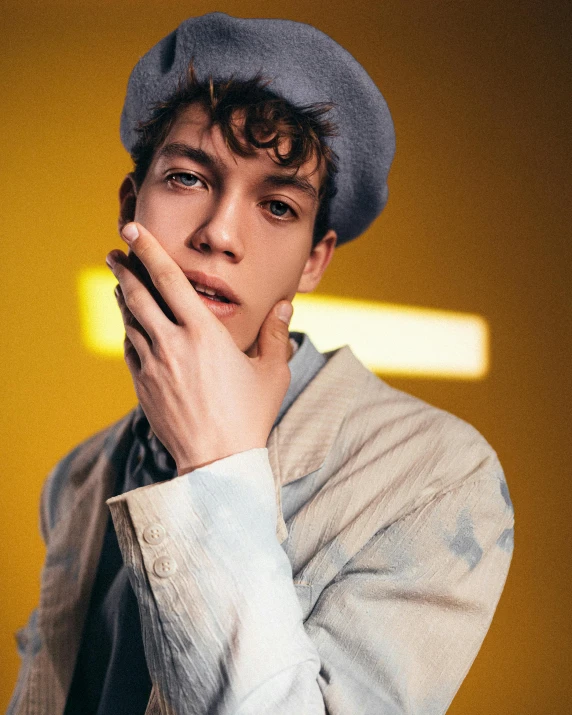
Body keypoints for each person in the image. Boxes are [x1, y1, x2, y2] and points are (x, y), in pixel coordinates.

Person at [8, 12, 515, 715]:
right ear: (132, 205)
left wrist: (216, 464)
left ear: (313, 259)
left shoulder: (436, 476)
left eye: (277, 205)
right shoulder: (79, 476)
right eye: (187, 178)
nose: (219, 233)